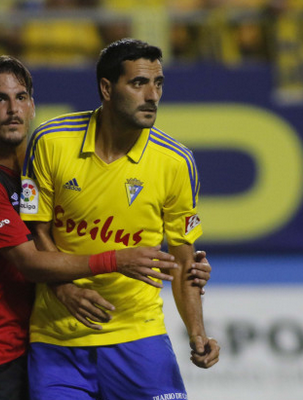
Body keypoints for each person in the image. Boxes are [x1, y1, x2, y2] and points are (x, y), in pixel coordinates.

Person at [0, 54, 212, 400]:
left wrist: (187, 269)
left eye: (20, 97)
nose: (13, 109)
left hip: (31, 343)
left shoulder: (40, 163)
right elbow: (30, 260)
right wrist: (109, 264)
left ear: (32, 105)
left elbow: (64, 233)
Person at [20, 38, 220, 400]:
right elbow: (35, 230)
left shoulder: (176, 162)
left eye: (158, 83)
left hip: (139, 337)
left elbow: (183, 257)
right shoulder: (51, 141)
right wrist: (63, 289)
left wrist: (197, 332)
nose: (152, 95)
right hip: (58, 340)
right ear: (106, 89)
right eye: (138, 83)